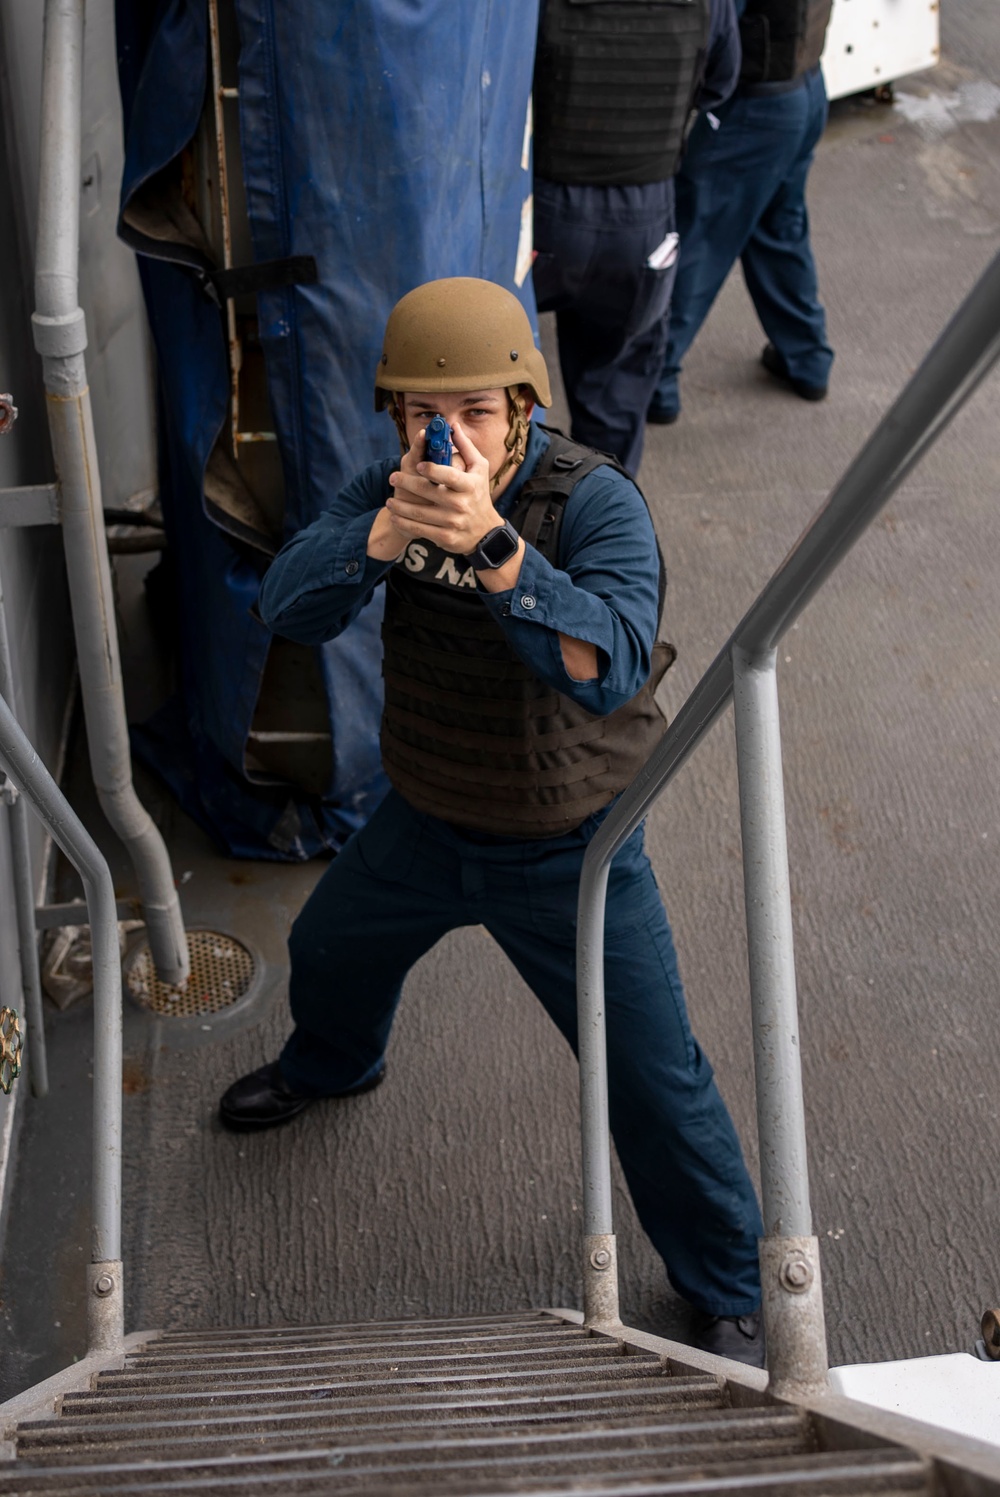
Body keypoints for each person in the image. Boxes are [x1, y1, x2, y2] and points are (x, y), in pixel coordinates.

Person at [219, 277, 766, 1366]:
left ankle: (731, 1284)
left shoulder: (593, 502)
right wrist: (379, 534)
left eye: (475, 410)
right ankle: (335, 1063)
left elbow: (610, 664)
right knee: (327, 951)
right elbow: (284, 606)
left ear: (521, 407)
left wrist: (496, 551)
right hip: (427, 819)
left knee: (652, 1080)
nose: (447, 438)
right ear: (393, 414)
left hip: (574, 850)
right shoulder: (389, 491)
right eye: (423, 413)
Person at [531, 0, 740, 475]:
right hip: (643, 224)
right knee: (613, 402)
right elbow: (720, 83)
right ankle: (603, 516)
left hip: (541, 213)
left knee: (491, 385)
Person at [648, 0, 835, 425]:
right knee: (780, 227)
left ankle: (654, 378)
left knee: (697, 239)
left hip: (754, 105)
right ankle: (806, 357)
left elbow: (710, 25)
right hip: (805, 85)